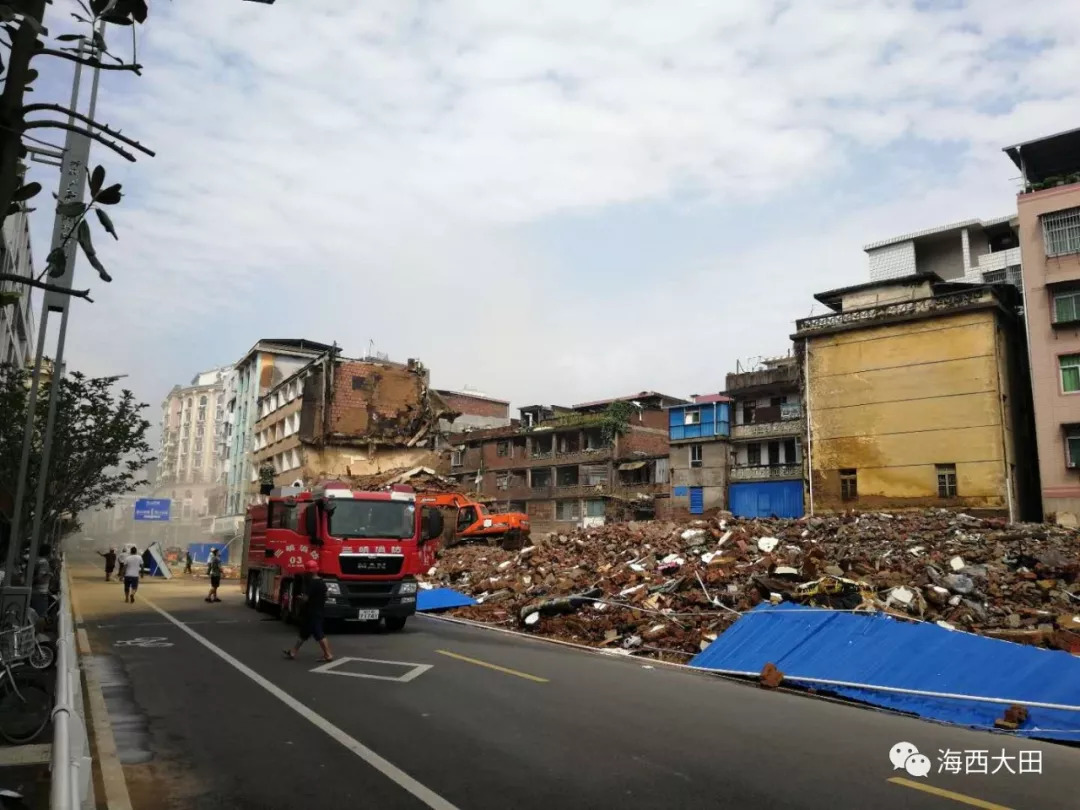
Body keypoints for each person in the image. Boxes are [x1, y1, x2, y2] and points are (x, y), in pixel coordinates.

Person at [283, 561, 333, 662]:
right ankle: (293, 652)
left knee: (319, 634)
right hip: (318, 611)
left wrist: (299, 598)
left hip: (312, 612)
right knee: (303, 633)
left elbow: (305, 598)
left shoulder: (312, 584)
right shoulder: (321, 582)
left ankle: (328, 654)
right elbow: (327, 595)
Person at [30, 545, 52, 619]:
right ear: (48, 553)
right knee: (40, 619)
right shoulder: (44, 563)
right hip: (40, 594)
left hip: (33, 592)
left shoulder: (35, 560)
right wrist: (48, 576)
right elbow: (39, 578)